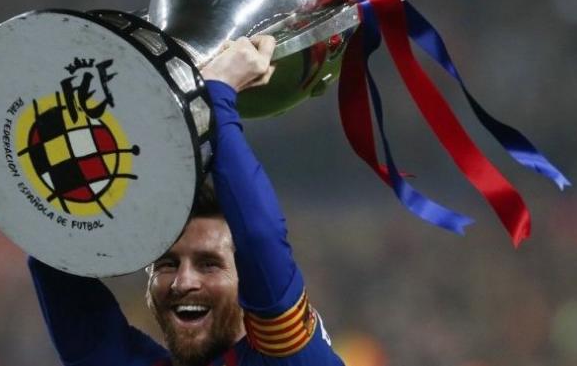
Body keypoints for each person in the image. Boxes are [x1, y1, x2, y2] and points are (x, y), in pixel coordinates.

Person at [28, 35, 345, 366]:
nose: (183, 282)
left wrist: (218, 94)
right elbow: (51, 228)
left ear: (249, 280)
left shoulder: (292, 357)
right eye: (167, 264)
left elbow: (260, 236)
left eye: (209, 263)